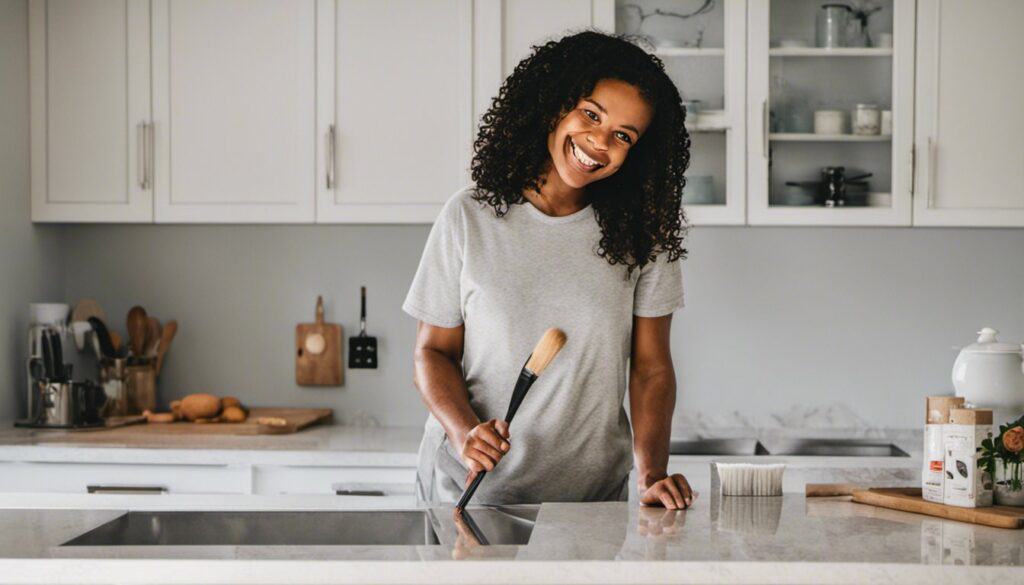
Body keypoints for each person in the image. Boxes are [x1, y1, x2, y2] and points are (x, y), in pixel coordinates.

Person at [403, 31, 693, 509]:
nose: (599, 142)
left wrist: (652, 473)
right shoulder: (469, 218)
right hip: (469, 494)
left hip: (589, 503)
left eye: (623, 135)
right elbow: (432, 354)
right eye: (591, 114)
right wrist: (463, 432)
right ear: (554, 105)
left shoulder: (644, 237)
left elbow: (651, 369)